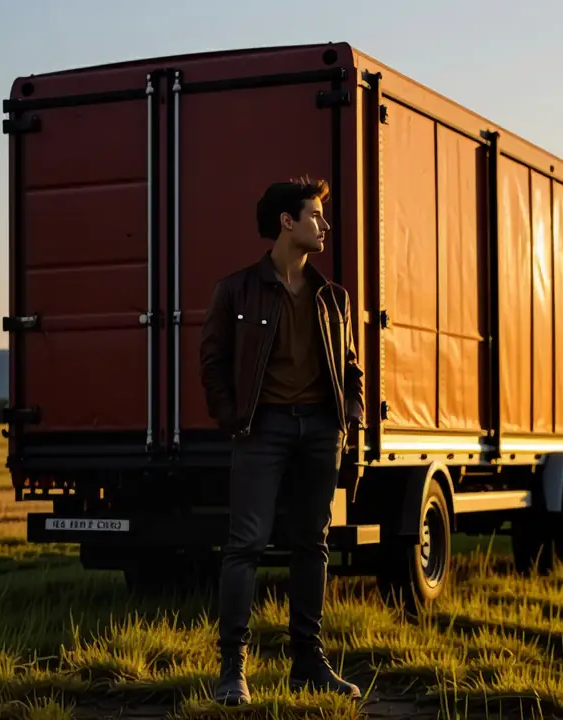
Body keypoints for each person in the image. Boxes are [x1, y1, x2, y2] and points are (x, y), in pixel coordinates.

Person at [198, 176, 365, 705]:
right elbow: (212, 362)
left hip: (320, 429)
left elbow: (352, 368)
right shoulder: (236, 290)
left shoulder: (331, 298)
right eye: (316, 215)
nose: (326, 224)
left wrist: (349, 417)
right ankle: (232, 671)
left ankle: (308, 665)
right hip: (262, 429)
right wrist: (231, 418)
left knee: (311, 545)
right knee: (244, 544)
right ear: (286, 223)